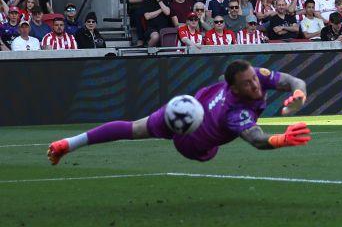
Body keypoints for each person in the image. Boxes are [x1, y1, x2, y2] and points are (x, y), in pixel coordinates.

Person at [48, 60, 311, 164]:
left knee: (133, 128)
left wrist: (299, 94)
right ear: (234, 88)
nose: (255, 84)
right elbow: (256, 139)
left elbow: (291, 81)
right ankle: (67, 144)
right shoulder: (233, 112)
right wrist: (281, 139)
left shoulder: (255, 76)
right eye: (247, 84)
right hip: (192, 145)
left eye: (254, 78)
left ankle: (67, 144)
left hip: (183, 107)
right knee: (209, 154)